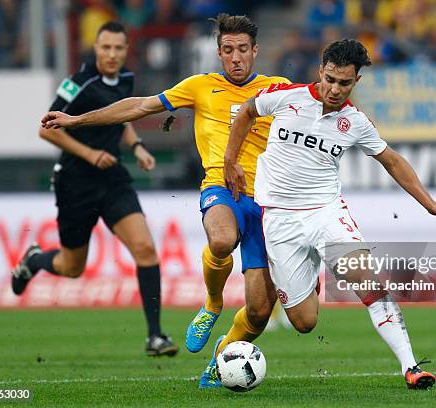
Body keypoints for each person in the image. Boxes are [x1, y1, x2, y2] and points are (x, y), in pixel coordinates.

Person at [40, 14, 290, 388]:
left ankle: (221, 357)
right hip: (222, 189)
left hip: (269, 202)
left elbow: (321, 116)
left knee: (258, 312)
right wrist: (76, 121)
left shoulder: (280, 88)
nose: (236, 58)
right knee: (221, 239)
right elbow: (138, 106)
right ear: (218, 53)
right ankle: (212, 304)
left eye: (242, 50)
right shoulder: (200, 86)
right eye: (227, 50)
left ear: (255, 51)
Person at [224, 39, 436, 389]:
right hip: (280, 219)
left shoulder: (355, 122)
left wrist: (429, 203)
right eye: (329, 79)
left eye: (344, 83)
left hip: (326, 213)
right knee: (304, 322)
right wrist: (230, 161)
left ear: (356, 81)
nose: (335, 89)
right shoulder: (286, 96)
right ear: (320, 71)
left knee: (367, 281)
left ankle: (411, 367)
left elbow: (391, 160)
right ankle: (311, 275)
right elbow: (247, 111)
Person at [11, 21, 178, 357]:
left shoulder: (127, 80)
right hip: (76, 183)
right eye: (106, 48)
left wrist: (137, 147)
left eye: (118, 48)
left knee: (145, 249)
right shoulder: (78, 83)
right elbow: (47, 129)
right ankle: (36, 260)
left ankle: (155, 337)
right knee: (72, 268)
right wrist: (89, 154)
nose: (112, 54)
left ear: (126, 49)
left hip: (113, 180)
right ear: (96, 48)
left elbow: (122, 119)